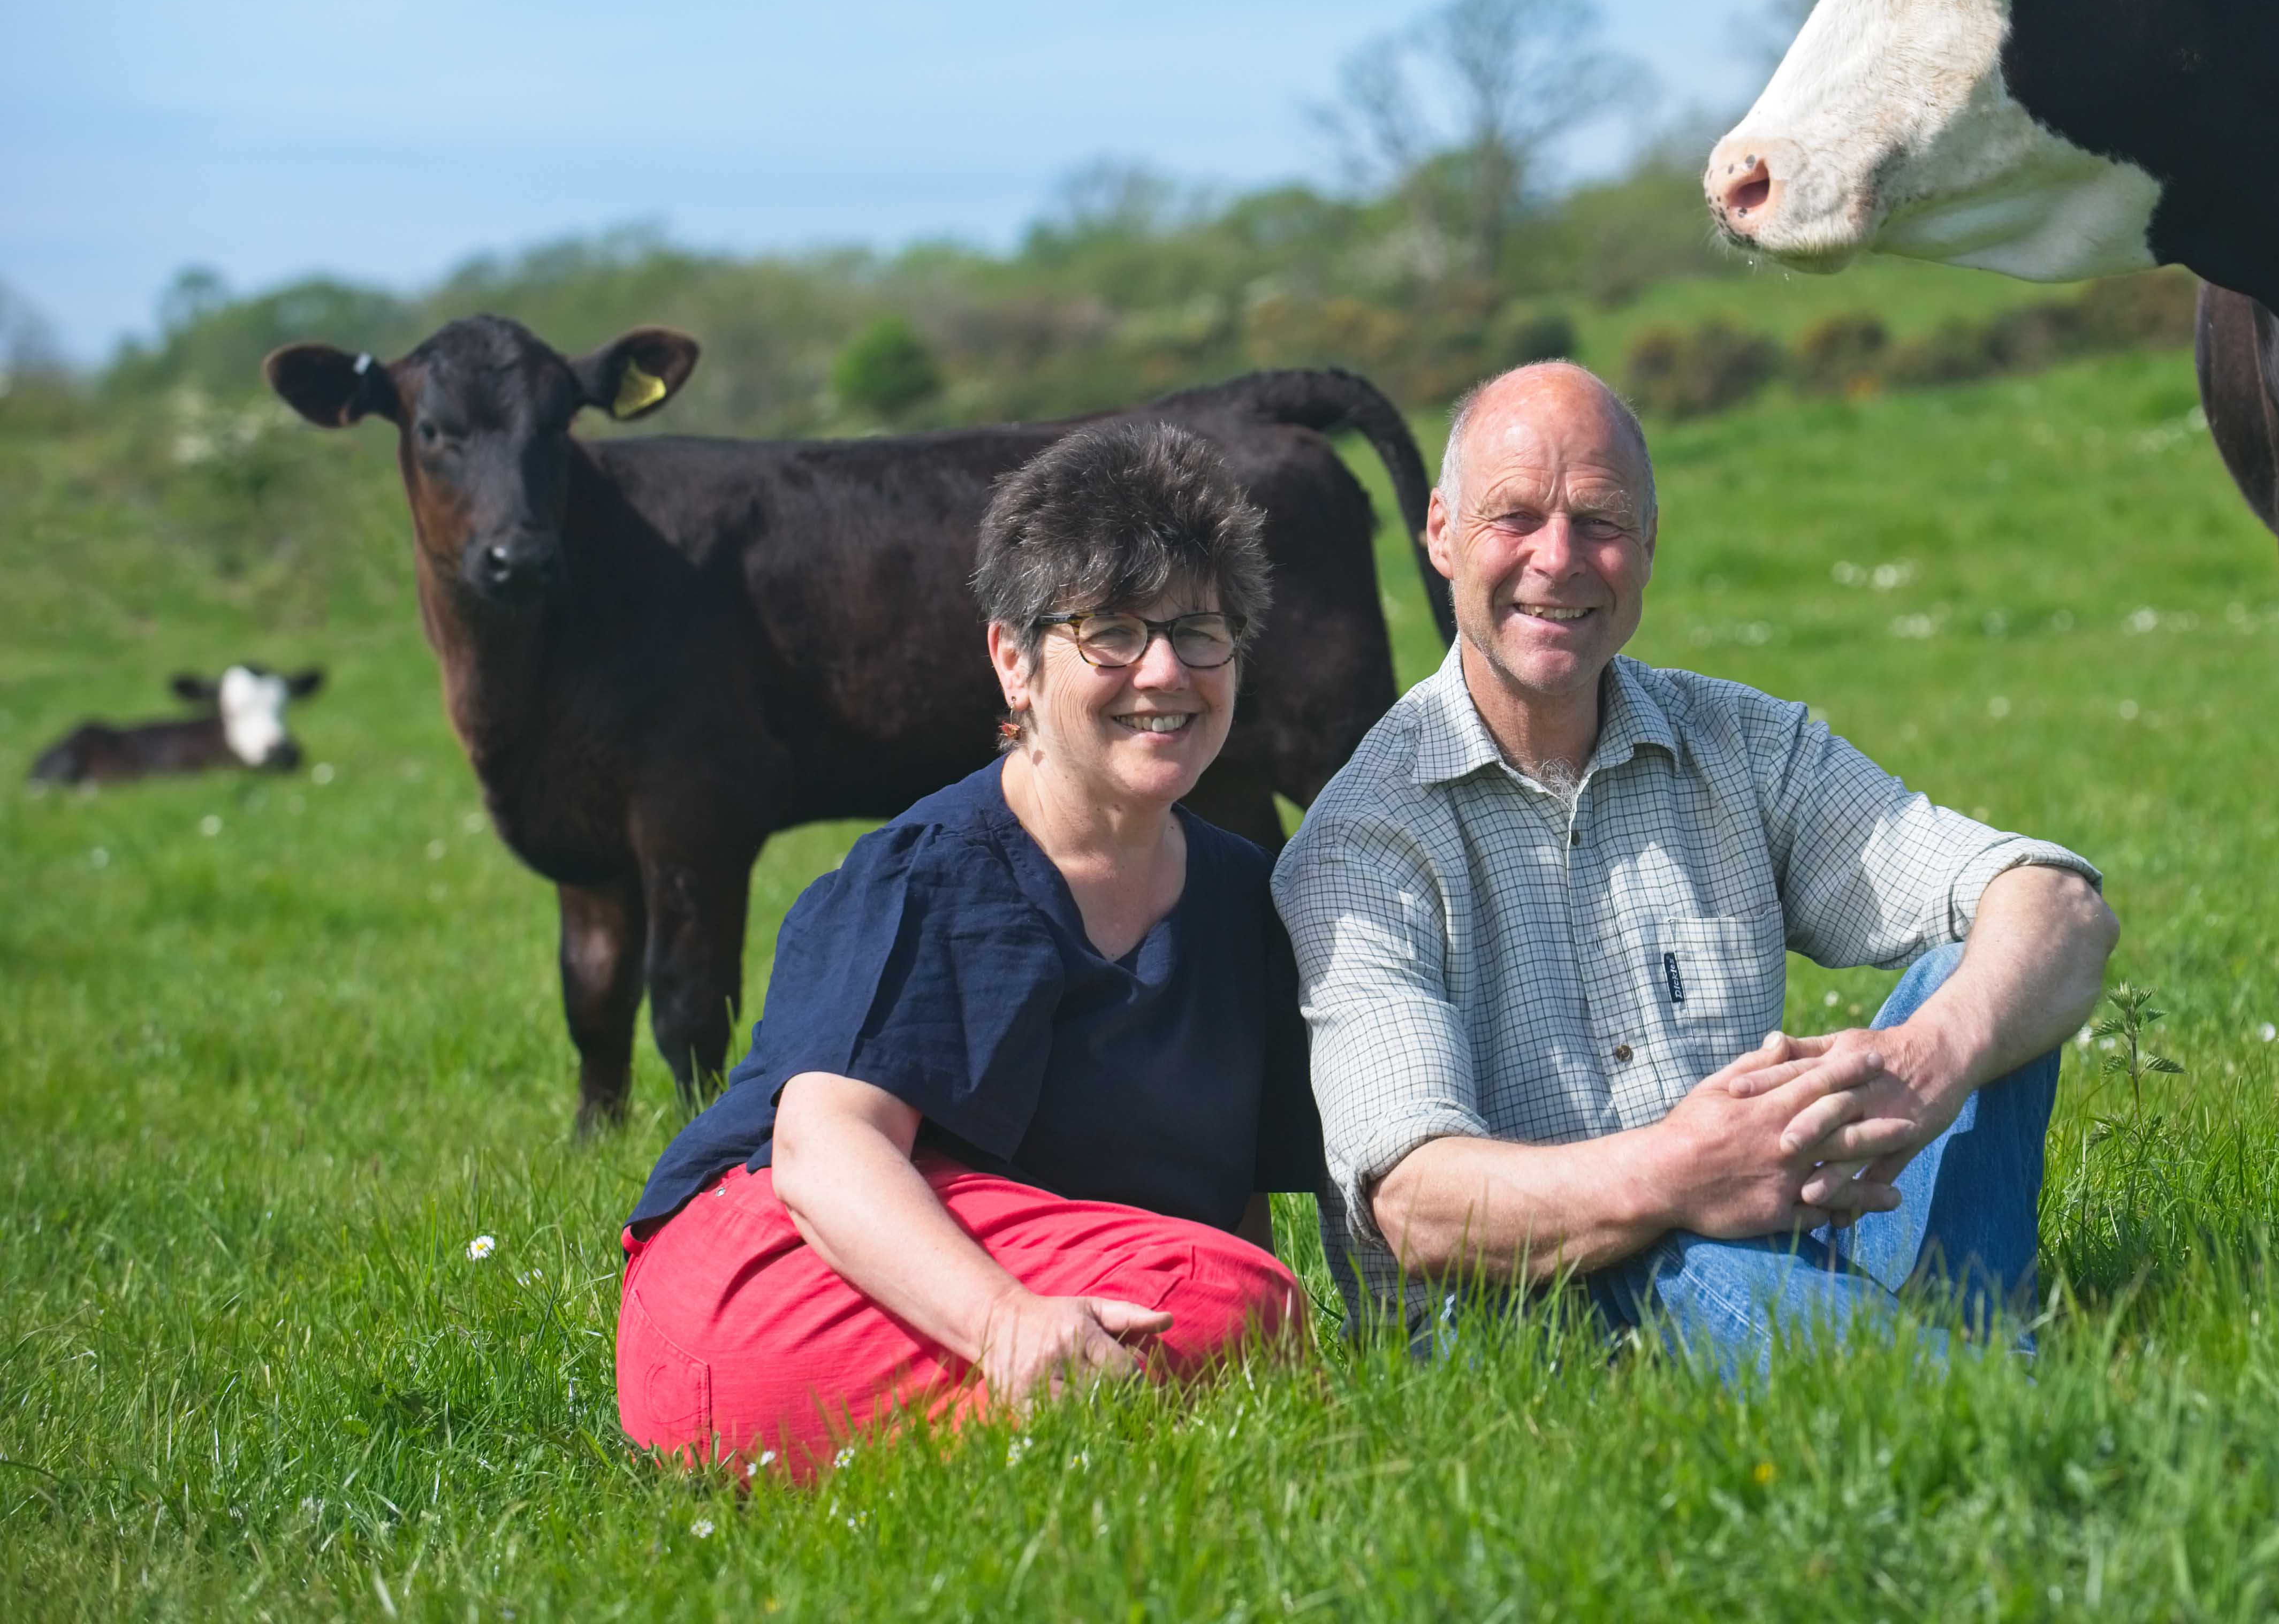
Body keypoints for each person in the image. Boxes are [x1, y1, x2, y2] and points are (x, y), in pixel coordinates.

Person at [1273, 361, 2118, 1368]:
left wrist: (1931, 1056)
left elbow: (2062, 904)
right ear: (1442, 535)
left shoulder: (1742, 744)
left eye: (1600, 521)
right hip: (1515, 1319)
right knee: (1666, 1254)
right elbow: (1416, 1206)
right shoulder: (1361, 841)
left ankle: (1940, 1353)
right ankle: (1989, 1399)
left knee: (1973, 974)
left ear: (1650, 545)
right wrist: (1679, 1175)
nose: (1560, 558)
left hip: (1764, 1235)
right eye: (1515, 519)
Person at [613, 420, 1321, 1475]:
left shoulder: (1236, 895)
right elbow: (825, 1150)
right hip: (772, 1260)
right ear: (1012, 660)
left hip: (996, 1259)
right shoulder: (934, 871)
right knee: (1233, 1308)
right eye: (1112, 632)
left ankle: (1051, 1440)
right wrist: (1005, 1325)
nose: (1164, 670)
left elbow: (1223, 1208)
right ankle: (1036, 1409)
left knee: (1229, 1302)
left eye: (1198, 630)